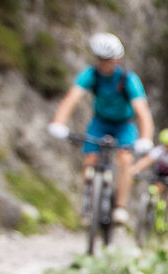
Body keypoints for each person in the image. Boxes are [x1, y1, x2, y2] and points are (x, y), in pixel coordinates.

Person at [47, 32, 155, 225]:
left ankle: (120, 207)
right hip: (100, 122)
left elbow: (143, 112)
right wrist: (58, 123)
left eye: (107, 59)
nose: (103, 63)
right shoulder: (91, 75)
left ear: (117, 59)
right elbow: (71, 99)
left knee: (125, 158)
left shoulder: (128, 79)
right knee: (90, 158)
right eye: (100, 59)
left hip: (124, 125)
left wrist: (146, 138)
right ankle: (88, 204)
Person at [130, 128, 168, 229]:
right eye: (167, 145)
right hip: (161, 174)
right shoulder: (159, 151)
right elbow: (146, 161)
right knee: (155, 191)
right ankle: (152, 213)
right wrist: (135, 169)